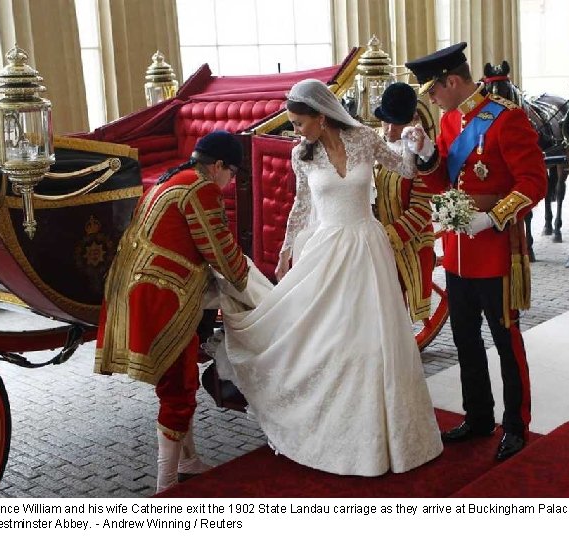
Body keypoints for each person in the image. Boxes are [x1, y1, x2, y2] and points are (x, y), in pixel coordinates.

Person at [214, 78, 443, 477]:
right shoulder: (302, 155)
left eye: (300, 123)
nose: (296, 130)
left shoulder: (366, 139)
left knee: (376, 341)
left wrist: (415, 142)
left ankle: (388, 436)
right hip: (327, 249)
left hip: (368, 246)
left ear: (321, 117)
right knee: (331, 339)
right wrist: (287, 248)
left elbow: (405, 169)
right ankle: (335, 426)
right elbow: (302, 206)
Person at [404, 43, 546, 461]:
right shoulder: (449, 122)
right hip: (459, 253)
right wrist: (427, 155)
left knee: (506, 342)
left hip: (497, 253)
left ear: (451, 80)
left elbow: (534, 182)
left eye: (433, 89)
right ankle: (479, 416)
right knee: (465, 338)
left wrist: (496, 217)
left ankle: (516, 425)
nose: (431, 99)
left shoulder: (507, 118)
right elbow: (443, 187)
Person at [94, 130, 249, 493]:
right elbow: (222, 253)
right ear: (219, 166)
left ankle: (188, 461)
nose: (231, 182)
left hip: (139, 288)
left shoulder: (173, 179)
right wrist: (251, 285)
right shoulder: (201, 189)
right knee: (178, 386)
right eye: (232, 173)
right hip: (164, 295)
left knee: (177, 382)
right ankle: (166, 486)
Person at [372, 82, 436, 322]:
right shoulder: (378, 145)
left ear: (410, 122)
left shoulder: (421, 153)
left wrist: (387, 237)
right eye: (384, 121)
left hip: (409, 240)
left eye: (395, 123)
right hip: (376, 236)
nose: (388, 129)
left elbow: (421, 209)